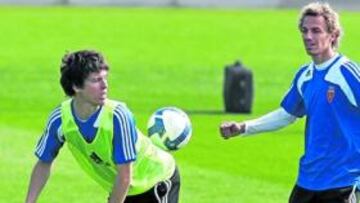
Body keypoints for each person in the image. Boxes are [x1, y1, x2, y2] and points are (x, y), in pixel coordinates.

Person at [220, 2, 360, 203]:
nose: (308, 37)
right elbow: (286, 115)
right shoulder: (305, 76)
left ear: (333, 35)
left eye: (316, 31)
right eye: (304, 30)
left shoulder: (347, 73)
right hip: (308, 180)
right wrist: (244, 127)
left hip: (343, 183)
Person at [25, 50, 180, 203]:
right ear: (76, 87)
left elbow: (125, 175)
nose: (104, 85)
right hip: (124, 189)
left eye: (105, 78)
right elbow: (44, 162)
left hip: (155, 181)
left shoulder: (118, 117)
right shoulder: (60, 120)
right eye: (96, 80)